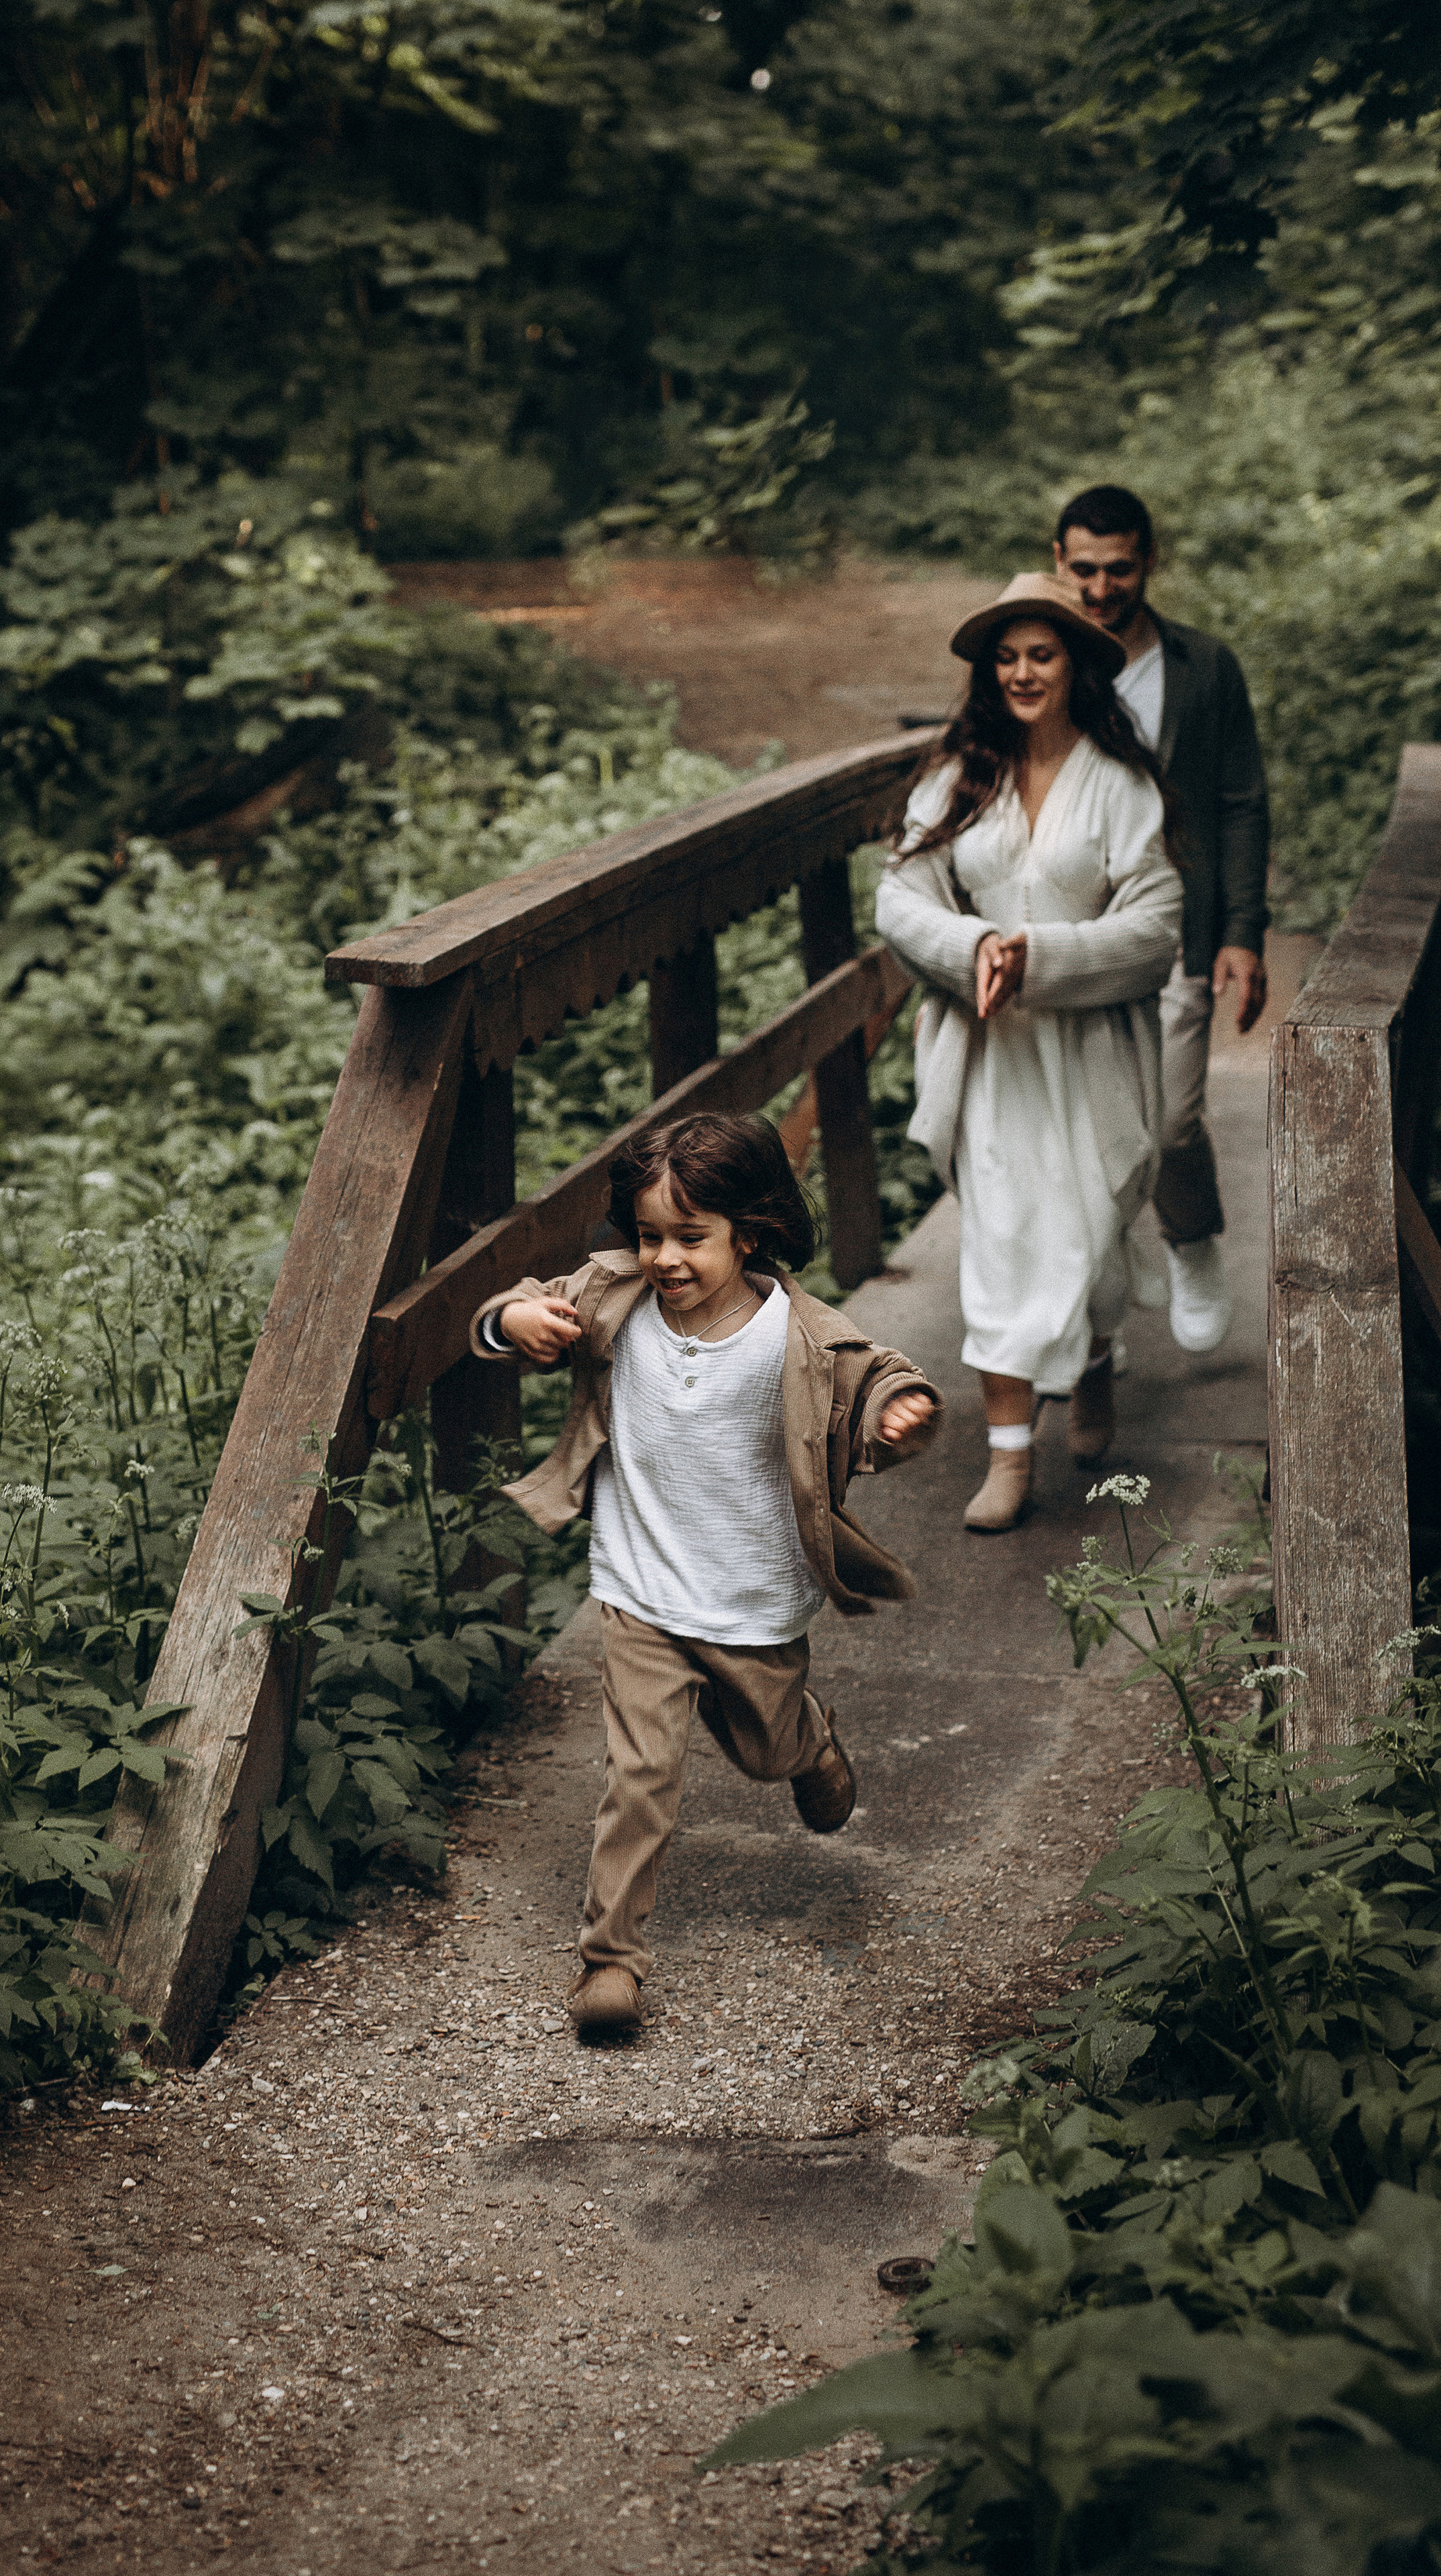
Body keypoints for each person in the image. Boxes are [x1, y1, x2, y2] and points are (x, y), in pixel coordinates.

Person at [470, 1112, 939, 2035]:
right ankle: (611, 1962)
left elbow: (876, 1377)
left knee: (764, 1753)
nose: (665, 1258)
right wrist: (514, 1319)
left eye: (691, 1236)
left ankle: (808, 1742)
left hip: (752, 1593)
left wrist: (900, 1410)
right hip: (639, 1586)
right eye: (650, 1235)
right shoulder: (612, 1297)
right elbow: (512, 1311)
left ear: (750, 1232)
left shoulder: (799, 1336)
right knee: (640, 1775)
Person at [874, 572, 1184, 1532]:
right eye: (1005, 658)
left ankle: (1094, 1364)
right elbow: (899, 899)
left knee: (1094, 1231)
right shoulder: (958, 779)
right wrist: (973, 946)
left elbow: (1157, 924)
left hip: (1092, 1050)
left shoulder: (1121, 785)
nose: (1021, 673)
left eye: (1040, 655)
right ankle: (1009, 1454)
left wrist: (1041, 956)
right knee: (1004, 1241)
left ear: (1076, 665)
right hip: (991, 1053)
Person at [1054, 486, 1272, 1353]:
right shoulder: (1043, 658)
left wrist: (1244, 931)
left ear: (1148, 560)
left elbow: (1241, 800)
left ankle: (1191, 1240)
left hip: (1180, 918)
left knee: (1172, 1118)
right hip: (1074, 927)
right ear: (1059, 560)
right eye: (1084, 569)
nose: (1101, 588)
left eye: (1119, 569)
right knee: (1081, 1123)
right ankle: (1095, 1308)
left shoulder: (1203, 667)